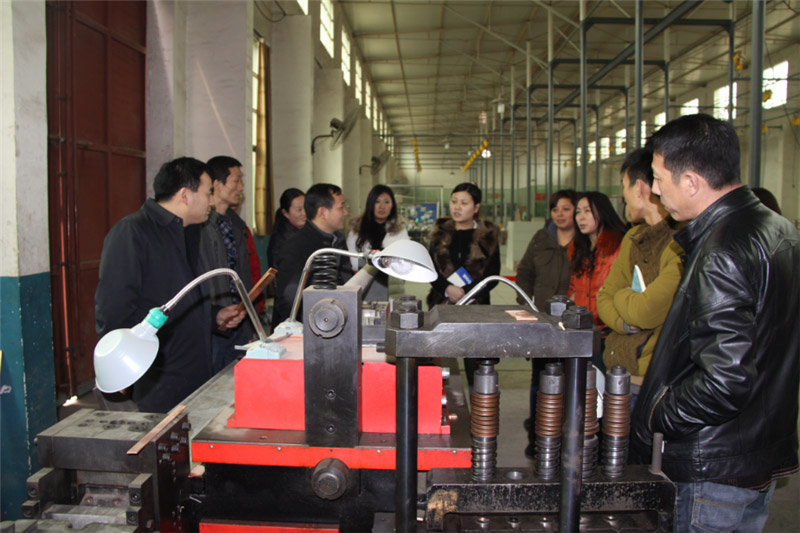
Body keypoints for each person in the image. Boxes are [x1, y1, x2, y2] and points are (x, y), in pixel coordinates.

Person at [631, 114, 800, 532]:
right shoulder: (779, 230)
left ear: (690, 182)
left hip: (712, 468)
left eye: (659, 179)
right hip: (756, 453)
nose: (655, 191)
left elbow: (725, 381)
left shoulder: (721, 250)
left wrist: (657, 413)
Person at [95, 157, 245, 413]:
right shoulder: (132, 232)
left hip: (194, 366)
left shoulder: (190, 232)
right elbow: (113, 309)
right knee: (160, 433)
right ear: (185, 195)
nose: (211, 202)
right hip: (157, 374)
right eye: (208, 193)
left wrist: (214, 316)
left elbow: (183, 297)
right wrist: (120, 365)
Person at [596, 148, 684, 378]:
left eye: (624, 186)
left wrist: (621, 295)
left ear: (640, 188)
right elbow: (603, 299)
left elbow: (645, 311)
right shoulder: (632, 238)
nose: (623, 195)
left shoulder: (681, 241)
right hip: (618, 368)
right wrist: (625, 323)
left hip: (654, 377)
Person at [515, 189, 577, 459]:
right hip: (542, 322)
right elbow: (525, 273)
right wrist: (527, 303)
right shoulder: (541, 239)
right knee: (540, 379)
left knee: (571, 380)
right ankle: (537, 435)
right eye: (555, 209)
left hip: (573, 324)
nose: (560, 214)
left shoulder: (584, 242)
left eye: (566, 208)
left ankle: (566, 435)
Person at [427, 182, 500, 387]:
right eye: (454, 201)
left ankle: (479, 406)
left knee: (476, 370)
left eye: (464, 203)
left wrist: (466, 292)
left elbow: (493, 274)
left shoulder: (488, 236)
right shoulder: (439, 234)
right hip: (442, 306)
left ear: (476, 207)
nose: (457, 207)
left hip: (476, 309)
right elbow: (430, 270)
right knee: (439, 368)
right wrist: (447, 289)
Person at [199, 156, 257, 374]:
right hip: (214, 323)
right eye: (236, 181)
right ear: (216, 184)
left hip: (239, 319)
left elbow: (244, 274)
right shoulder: (200, 227)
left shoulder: (236, 225)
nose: (241, 188)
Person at [272, 183, 350, 328]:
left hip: (334, 322)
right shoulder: (295, 247)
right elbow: (290, 301)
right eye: (341, 207)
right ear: (322, 212)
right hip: (307, 329)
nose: (345, 212)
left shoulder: (337, 241)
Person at [567, 191, 626, 334]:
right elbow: (573, 288)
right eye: (578, 212)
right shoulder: (578, 249)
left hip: (610, 327)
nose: (581, 217)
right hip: (582, 327)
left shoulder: (618, 245)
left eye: (587, 211)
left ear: (602, 212)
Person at [346, 184, 409, 270]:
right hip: (362, 276)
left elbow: (405, 261)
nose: (382, 207)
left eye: (386, 202)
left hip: (391, 277)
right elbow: (351, 260)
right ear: (370, 204)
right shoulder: (357, 229)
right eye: (377, 202)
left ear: (392, 205)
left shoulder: (400, 231)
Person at [267, 188, 306, 268]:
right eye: (299, 210)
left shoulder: (309, 231)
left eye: (306, 208)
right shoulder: (280, 240)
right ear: (285, 213)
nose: (304, 213)